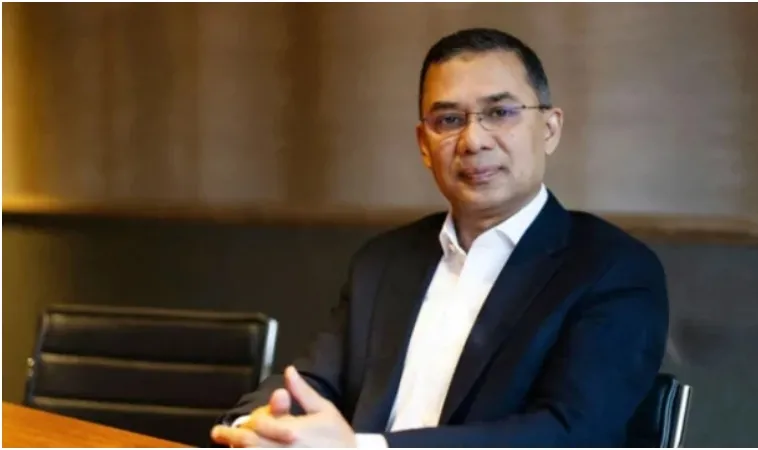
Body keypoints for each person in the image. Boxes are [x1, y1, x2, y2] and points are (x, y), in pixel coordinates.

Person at [210, 27, 669, 448]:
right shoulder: (385, 261)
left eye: (500, 113)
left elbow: (571, 433)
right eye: (449, 120)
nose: (473, 141)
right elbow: (311, 381)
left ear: (549, 129)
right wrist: (260, 425)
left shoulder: (611, 270)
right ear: (424, 146)